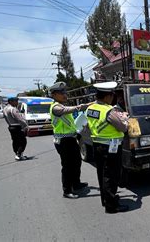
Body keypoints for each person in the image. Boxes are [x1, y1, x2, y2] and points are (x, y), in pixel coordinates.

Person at [86, 82, 129, 214]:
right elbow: (123, 127)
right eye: (111, 95)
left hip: (98, 145)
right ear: (106, 96)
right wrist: (125, 119)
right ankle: (111, 205)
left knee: (102, 173)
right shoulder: (109, 111)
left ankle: (105, 199)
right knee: (111, 175)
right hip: (111, 147)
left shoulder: (91, 108)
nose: (112, 98)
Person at [49, 82, 90, 199]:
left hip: (71, 139)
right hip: (63, 141)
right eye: (62, 93)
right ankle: (67, 190)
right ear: (54, 95)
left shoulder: (61, 105)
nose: (65, 95)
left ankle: (76, 183)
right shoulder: (56, 107)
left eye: (65, 92)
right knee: (67, 166)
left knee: (77, 162)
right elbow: (67, 110)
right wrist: (82, 106)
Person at [3, 96, 29, 161]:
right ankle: (19, 154)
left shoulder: (5, 109)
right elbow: (19, 119)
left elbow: (5, 118)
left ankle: (18, 154)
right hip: (17, 127)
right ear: (11, 101)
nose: (17, 102)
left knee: (15, 141)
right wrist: (25, 126)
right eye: (16, 101)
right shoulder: (13, 109)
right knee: (23, 141)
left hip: (11, 126)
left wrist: (9, 124)